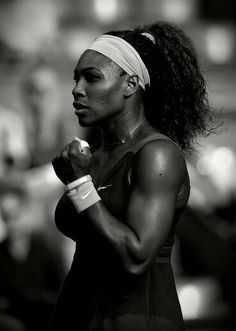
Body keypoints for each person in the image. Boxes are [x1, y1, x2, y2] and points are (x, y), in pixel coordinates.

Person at [49, 21, 216, 331]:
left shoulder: (157, 154)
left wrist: (79, 185)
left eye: (92, 78)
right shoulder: (92, 156)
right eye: (76, 78)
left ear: (130, 84)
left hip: (136, 318)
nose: (77, 89)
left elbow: (135, 257)